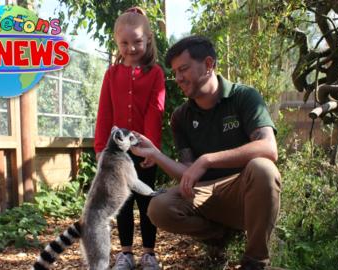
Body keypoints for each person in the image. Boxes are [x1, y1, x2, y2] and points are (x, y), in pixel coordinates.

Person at [130, 35, 281, 270]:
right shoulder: (181, 117)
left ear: (209, 64)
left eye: (184, 69)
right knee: (158, 208)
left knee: (263, 168)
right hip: (204, 193)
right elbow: (189, 175)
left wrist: (208, 159)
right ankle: (219, 237)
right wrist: (156, 154)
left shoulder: (244, 97)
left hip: (242, 191)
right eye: (175, 72)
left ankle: (255, 261)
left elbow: (269, 148)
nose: (178, 78)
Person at [93, 6, 165, 270]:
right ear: (117, 42)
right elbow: (105, 112)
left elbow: (155, 111)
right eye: (125, 42)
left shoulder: (155, 73)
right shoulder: (112, 75)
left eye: (137, 42)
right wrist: (101, 148)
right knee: (122, 201)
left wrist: (148, 149)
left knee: (147, 200)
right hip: (117, 153)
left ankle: (149, 253)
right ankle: (125, 253)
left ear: (147, 40)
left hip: (144, 152)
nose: (131, 48)